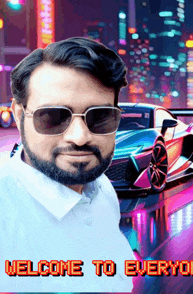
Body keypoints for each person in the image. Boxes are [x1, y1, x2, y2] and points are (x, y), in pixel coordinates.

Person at [0, 37, 134, 292]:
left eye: (101, 116)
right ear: (19, 115)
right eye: (53, 116)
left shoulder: (101, 188)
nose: (80, 137)